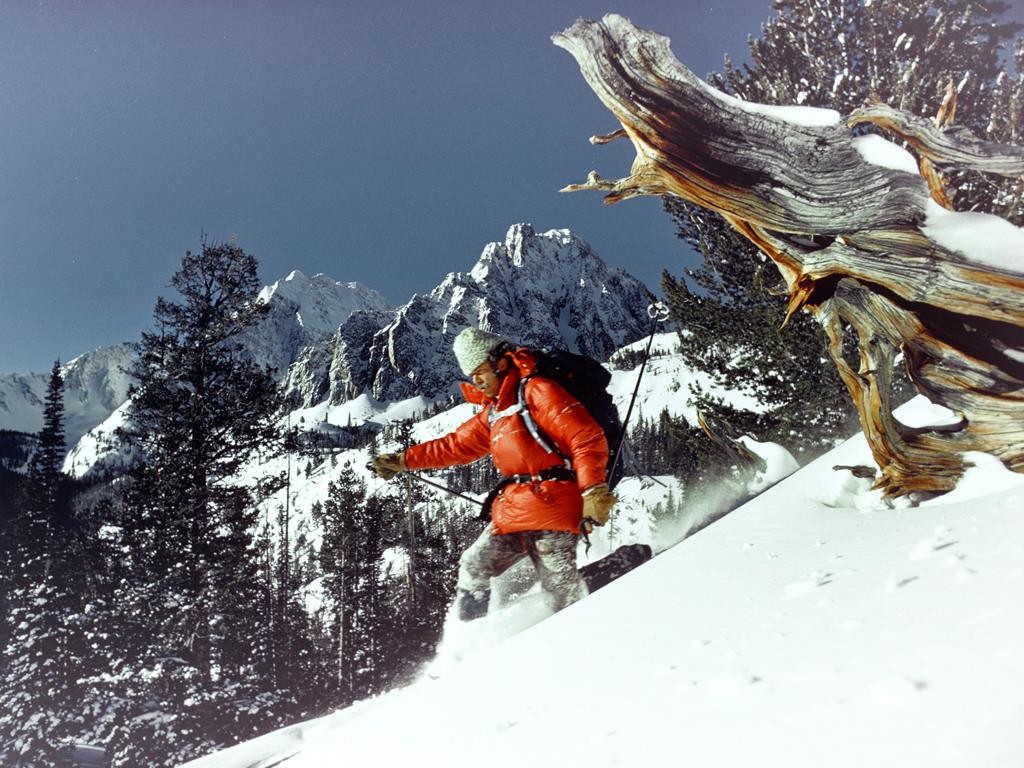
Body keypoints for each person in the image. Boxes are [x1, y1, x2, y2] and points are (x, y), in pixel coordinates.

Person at [372, 327, 617, 620]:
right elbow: (456, 445)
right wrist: (403, 460)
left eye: (480, 373)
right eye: (471, 376)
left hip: (555, 508)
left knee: (562, 597)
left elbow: (585, 437)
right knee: (474, 566)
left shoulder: (537, 390)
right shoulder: (496, 411)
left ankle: (626, 565)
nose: (476, 382)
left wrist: (592, 491)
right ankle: (469, 640)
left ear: (500, 363)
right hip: (515, 512)